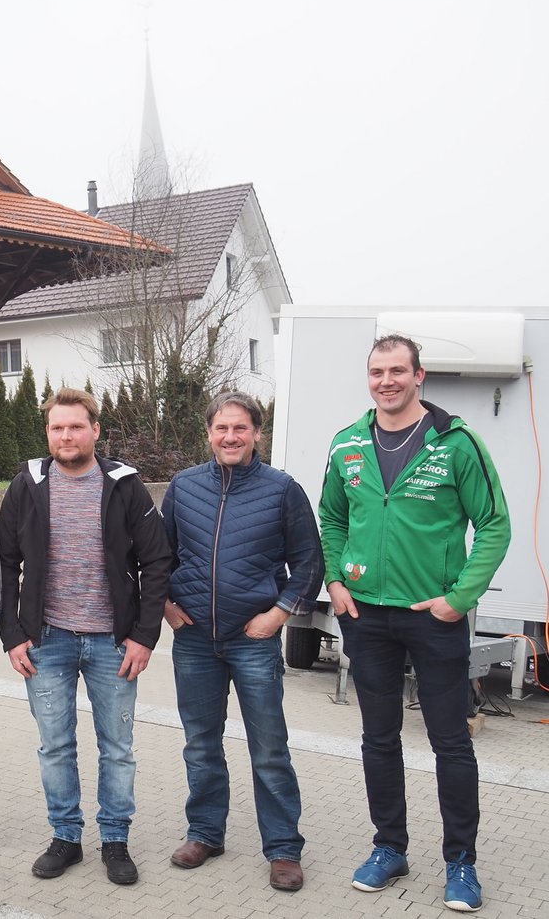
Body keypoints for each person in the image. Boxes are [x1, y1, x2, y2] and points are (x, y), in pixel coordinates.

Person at [320, 335, 510, 913]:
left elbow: (495, 524)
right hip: (366, 617)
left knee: (450, 741)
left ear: (419, 374)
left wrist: (460, 598)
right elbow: (329, 517)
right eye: (377, 371)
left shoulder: (455, 441)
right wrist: (335, 582)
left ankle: (461, 862)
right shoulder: (347, 443)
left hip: (434, 619)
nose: (386, 381)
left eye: (397, 370)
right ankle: (389, 849)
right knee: (378, 739)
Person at [0, 387, 169, 885]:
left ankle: (115, 839)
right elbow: (5, 563)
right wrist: (12, 633)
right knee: (55, 746)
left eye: (75, 426)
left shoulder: (124, 484)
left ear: (95, 429)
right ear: (48, 433)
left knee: (118, 747)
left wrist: (144, 635)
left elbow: (156, 561)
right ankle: (66, 838)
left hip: (112, 642)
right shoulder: (28, 484)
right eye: (57, 427)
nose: (66, 435)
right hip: (46, 639)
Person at [162, 391, 322, 893]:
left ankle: (283, 849)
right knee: (200, 744)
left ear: (257, 433)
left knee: (269, 748)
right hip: (193, 641)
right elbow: (157, 556)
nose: (230, 437)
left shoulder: (282, 490)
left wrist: (277, 615)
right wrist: (166, 605)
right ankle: (206, 833)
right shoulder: (184, 487)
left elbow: (309, 564)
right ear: (208, 433)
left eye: (240, 429)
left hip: (253, 640)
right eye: (221, 429)